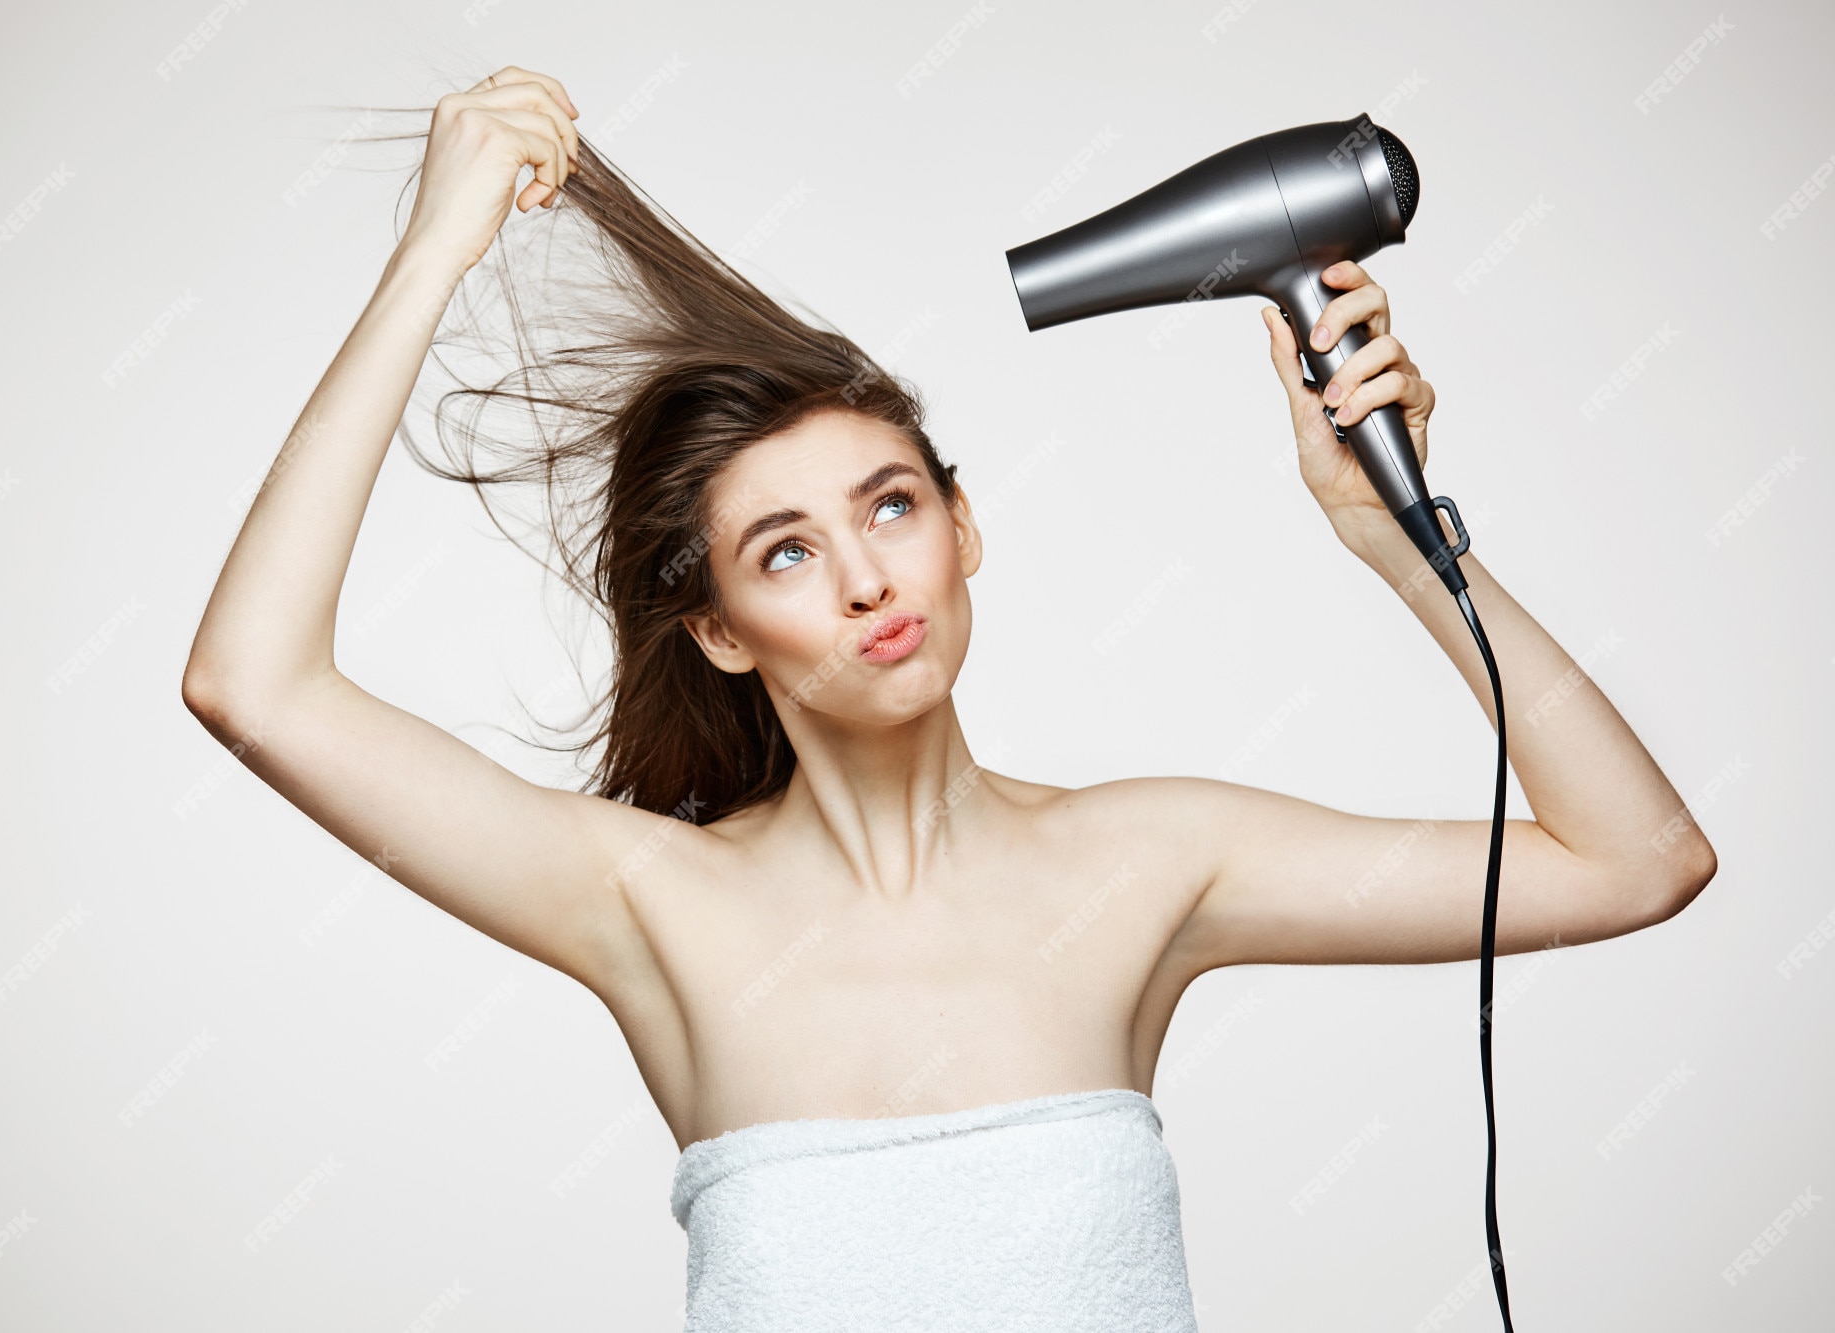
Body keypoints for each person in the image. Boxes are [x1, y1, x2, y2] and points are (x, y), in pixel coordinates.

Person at [181, 64, 1718, 1331]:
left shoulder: (1146, 864)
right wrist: (435, 252)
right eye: (788, 550)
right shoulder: (649, 903)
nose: (865, 576)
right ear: (720, 632)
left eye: (893, 505)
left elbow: (1638, 860)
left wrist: (1401, 543)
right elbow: (252, 684)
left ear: (964, 526)